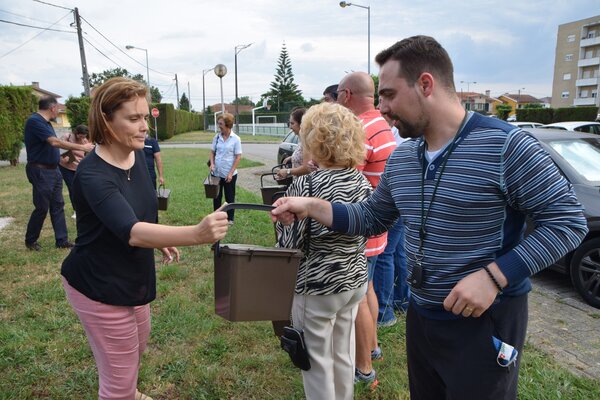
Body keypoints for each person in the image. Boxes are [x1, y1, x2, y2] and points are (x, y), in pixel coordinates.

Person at [271, 35, 588, 400]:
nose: (382, 108)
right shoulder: (404, 157)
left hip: (485, 321)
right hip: (422, 318)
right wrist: (309, 206)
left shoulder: (506, 146)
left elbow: (566, 221)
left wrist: (495, 277)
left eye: (388, 94)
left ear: (425, 84)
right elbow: (370, 218)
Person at [60, 77, 229, 400]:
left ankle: (128, 391)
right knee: (118, 378)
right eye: (133, 119)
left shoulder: (135, 157)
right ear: (107, 121)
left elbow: (137, 214)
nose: (144, 128)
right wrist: (195, 234)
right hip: (99, 285)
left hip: (130, 278)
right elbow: (133, 231)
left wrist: (159, 237)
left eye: (144, 117)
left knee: (133, 348)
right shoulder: (93, 174)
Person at [276, 102, 371, 400]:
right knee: (343, 352)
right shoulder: (362, 180)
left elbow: (288, 245)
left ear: (313, 141)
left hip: (316, 286)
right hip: (353, 281)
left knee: (316, 364)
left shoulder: (306, 185)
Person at [337, 71, 397, 387]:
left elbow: (347, 180)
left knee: (358, 295)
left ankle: (362, 369)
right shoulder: (381, 125)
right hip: (378, 225)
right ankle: (372, 347)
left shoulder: (359, 130)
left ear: (346, 95)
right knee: (369, 287)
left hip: (363, 226)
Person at [24, 96, 94, 251]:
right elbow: (55, 142)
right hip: (41, 170)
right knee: (42, 207)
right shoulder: (35, 121)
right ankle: (30, 240)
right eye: (58, 109)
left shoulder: (46, 123)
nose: (58, 112)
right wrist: (83, 148)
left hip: (53, 170)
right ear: (53, 108)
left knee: (58, 205)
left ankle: (61, 240)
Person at [373, 116, 410, 324]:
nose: (382, 107)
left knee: (386, 253)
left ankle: (385, 312)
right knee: (397, 251)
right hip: (399, 199)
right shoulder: (392, 131)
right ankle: (402, 300)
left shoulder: (392, 132)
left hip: (394, 200)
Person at [209, 112, 242, 225]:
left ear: (227, 125)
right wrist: (212, 164)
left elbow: (238, 157)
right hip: (216, 173)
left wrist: (230, 173)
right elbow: (212, 152)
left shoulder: (236, 139)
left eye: (221, 124)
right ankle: (216, 217)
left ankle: (230, 218)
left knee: (229, 197)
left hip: (229, 174)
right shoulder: (216, 137)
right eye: (218, 123)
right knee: (216, 197)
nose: (219, 126)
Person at [58, 124, 90, 219]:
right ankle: (76, 211)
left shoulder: (85, 141)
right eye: (81, 136)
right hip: (66, 167)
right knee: (72, 189)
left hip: (78, 168)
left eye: (84, 136)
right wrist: (65, 156)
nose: (82, 138)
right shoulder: (67, 137)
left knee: (82, 189)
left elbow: (86, 153)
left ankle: (83, 209)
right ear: (77, 133)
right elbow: (59, 147)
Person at [276, 107, 311, 181]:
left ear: (302, 124)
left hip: (306, 186)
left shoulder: (307, 141)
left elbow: (307, 168)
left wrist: (287, 171)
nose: (290, 127)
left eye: (292, 123)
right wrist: (291, 157)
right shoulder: (302, 140)